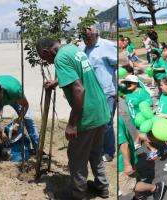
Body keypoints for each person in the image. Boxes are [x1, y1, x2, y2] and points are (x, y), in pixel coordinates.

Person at [36, 38, 111, 199]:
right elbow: (78, 74)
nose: (48, 63)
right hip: (101, 109)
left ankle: (78, 194)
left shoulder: (59, 59)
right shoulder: (72, 49)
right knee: (95, 152)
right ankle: (102, 186)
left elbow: (79, 90)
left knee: (76, 156)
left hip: (88, 114)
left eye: (45, 60)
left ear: (46, 52)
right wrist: (56, 82)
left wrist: (72, 124)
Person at [0, 75, 41, 159]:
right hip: (3, 96)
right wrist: (0, 132)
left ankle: (38, 148)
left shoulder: (14, 90)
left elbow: (25, 105)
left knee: (28, 119)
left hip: (12, 97)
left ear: (2, 90)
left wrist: (17, 123)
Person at [82, 26, 117, 162]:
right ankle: (100, 148)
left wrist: (117, 87)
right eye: (84, 37)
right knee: (98, 123)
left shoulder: (107, 46)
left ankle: (109, 151)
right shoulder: (83, 49)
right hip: (92, 94)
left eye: (88, 37)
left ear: (96, 34)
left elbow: (119, 65)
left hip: (107, 92)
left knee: (106, 123)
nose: (86, 40)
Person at [117, 116, 166, 200]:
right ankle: (139, 197)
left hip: (122, 162)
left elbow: (124, 144)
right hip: (123, 160)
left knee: (127, 187)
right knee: (133, 180)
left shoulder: (116, 121)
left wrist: (127, 165)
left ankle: (156, 188)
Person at [121, 75, 157, 160]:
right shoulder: (128, 92)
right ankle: (159, 147)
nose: (127, 85)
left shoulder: (142, 93)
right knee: (146, 136)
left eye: (130, 83)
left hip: (143, 120)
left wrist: (145, 119)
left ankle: (155, 149)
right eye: (126, 83)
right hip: (135, 120)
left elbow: (151, 108)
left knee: (145, 136)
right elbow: (125, 98)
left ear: (136, 83)